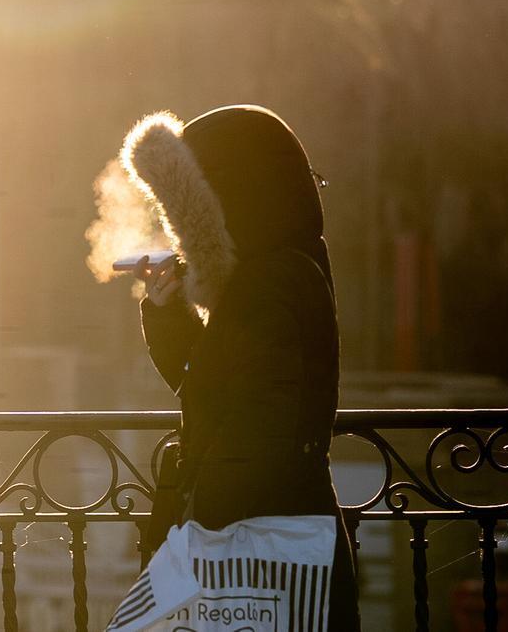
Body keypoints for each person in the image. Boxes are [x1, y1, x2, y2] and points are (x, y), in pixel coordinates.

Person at [122, 104, 359, 630]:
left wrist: (198, 518)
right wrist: (169, 314)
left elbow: (258, 425)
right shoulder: (274, 272)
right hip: (272, 528)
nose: (180, 232)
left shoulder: (268, 282)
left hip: (255, 535)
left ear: (227, 201)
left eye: (188, 214)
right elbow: (204, 383)